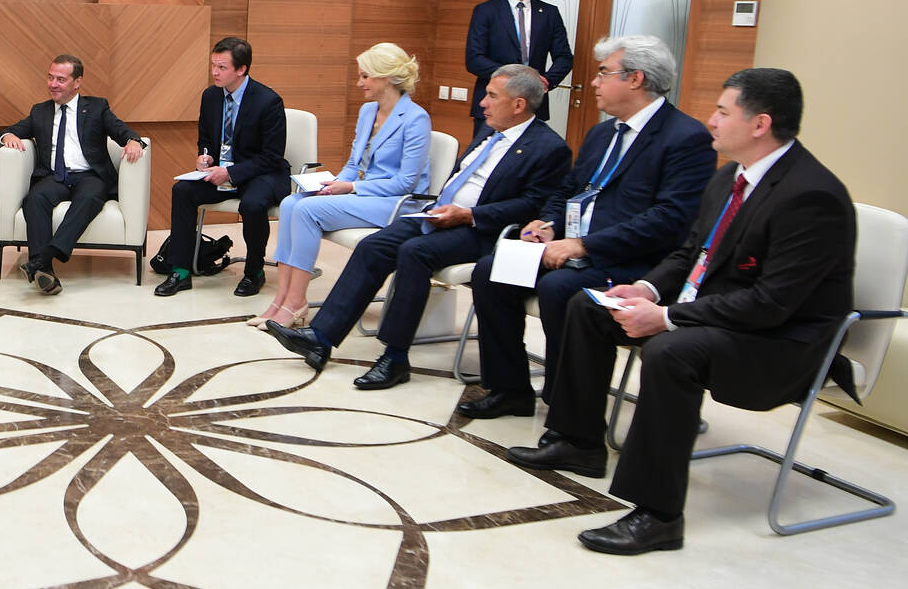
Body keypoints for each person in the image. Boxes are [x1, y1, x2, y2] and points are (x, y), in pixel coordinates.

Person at [507, 68, 855, 555]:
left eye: (723, 112)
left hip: (780, 344)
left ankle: (659, 515)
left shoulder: (811, 196)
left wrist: (667, 318)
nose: (711, 120)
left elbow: (771, 303)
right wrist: (647, 289)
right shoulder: (731, 177)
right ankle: (577, 440)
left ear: (760, 124)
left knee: (671, 351)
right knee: (588, 305)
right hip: (719, 316)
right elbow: (691, 253)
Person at [457, 35, 716, 420]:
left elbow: (670, 219)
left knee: (559, 288)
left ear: (635, 79)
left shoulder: (685, 138)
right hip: (575, 247)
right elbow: (568, 190)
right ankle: (510, 388)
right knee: (491, 271)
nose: (593, 82)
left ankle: (568, 408)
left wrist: (584, 245)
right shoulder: (603, 133)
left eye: (603, 73)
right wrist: (547, 224)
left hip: (630, 261)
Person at [266, 64, 570, 389]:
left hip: (483, 230)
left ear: (519, 104)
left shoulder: (548, 148)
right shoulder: (489, 131)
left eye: (492, 96)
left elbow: (532, 206)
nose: (482, 102)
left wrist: (468, 215)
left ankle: (395, 357)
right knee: (374, 246)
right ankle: (321, 338)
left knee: (414, 253)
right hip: (440, 215)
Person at [250, 42, 432, 329]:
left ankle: (296, 302)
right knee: (290, 203)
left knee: (308, 211)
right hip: (363, 194)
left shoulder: (416, 118)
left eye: (365, 76)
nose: (359, 83)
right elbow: (354, 163)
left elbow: (406, 182)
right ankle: (280, 299)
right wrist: (333, 183)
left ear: (387, 78)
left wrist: (351, 188)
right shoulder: (368, 111)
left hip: (398, 203)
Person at [0, 55, 145, 295]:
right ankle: (44, 270)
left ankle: (43, 258)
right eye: (50, 78)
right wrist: (8, 136)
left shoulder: (97, 107)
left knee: (89, 197)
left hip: (89, 176)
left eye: (61, 79)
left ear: (77, 82)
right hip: (54, 176)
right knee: (35, 199)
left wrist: (133, 141)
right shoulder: (40, 111)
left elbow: (123, 131)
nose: (53, 84)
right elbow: (6, 133)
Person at [155, 37, 291, 298]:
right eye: (213, 65)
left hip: (261, 173)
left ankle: (254, 272)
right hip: (223, 172)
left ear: (241, 69)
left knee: (252, 205)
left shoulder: (268, 101)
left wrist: (230, 173)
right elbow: (206, 138)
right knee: (182, 192)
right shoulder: (211, 96)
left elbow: (272, 156)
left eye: (222, 67)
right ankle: (180, 271)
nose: (214, 72)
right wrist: (205, 157)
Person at [465, 0, 573, 135]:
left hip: (533, 105)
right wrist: (516, 78)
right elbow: (474, 59)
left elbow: (564, 57)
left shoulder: (549, 13)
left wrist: (545, 82)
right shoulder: (485, 11)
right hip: (492, 104)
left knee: (529, 153)